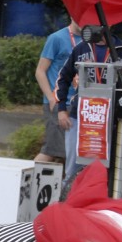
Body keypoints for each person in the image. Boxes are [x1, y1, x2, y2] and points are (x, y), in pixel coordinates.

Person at [56, 26, 122, 180]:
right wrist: (61, 108)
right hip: (80, 115)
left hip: (110, 119)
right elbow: (63, 77)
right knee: (73, 167)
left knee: (105, 168)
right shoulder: (80, 48)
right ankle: (67, 198)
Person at [34, 20, 79, 165]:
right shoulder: (57, 38)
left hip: (78, 103)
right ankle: (22, 183)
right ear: (72, 15)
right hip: (58, 103)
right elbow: (40, 71)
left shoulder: (90, 40)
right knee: (50, 152)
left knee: (72, 153)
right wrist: (51, 98)